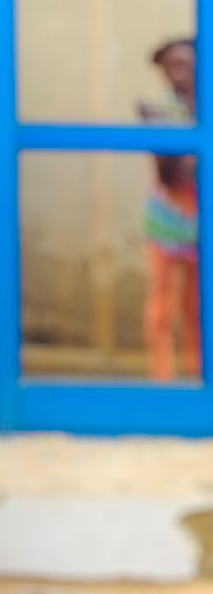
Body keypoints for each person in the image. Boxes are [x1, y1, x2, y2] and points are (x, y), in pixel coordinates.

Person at [139, 37, 200, 381]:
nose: (180, 73)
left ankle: (197, 374)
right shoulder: (157, 107)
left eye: (187, 65)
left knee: (197, 304)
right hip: (167, 218)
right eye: (172, 66)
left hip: (201, 217)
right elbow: (171, 172)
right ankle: (162, 377)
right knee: (162, 302)